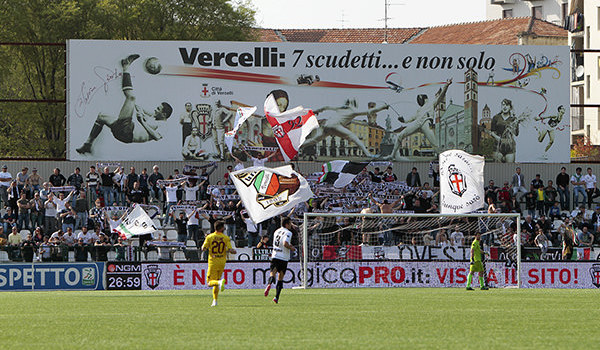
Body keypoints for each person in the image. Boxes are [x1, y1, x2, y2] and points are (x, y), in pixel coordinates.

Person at [76, 54, 173, 154]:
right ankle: (87, 145)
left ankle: (126, 67)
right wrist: (140, 111)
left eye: (158, 109)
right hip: (123, 131)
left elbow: (157, 137)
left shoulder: (163, 125)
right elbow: (139, 107)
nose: (155, 110)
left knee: (131, 98)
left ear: (164, 114)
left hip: (127, 132)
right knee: (101, 116)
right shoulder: (154, 116)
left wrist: (142, 121)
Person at [384, 79, 451, 160]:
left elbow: (441, 96)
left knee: (434, 143)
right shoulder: (419, 110)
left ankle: (443, 158)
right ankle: (392, 155)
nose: (419, 101)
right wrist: (403, 120)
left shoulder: (431, 104)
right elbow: (411, 119)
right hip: (417, 123)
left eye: (419, 99)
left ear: (423, 99)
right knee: (400, 135)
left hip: (426, 123)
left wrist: (446, 85)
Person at [304, 99, 389, 158]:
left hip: (326, 125)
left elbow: (326, 106)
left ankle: (298, 146)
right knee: (354, 137)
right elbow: (369, 112)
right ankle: (368, 154)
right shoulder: (353, 111)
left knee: (313, 140)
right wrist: (383, 107)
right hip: (335, 126)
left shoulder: (340, 108)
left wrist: (316, 111)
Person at [201, 220, 236, 307]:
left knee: (209, 282)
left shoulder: (210, 237)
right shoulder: (226, 238)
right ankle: (215, 301)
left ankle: (220, 283)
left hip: (213, 262)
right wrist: (233, 251)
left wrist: (206, 241)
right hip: (222, 262)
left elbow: (203, 248)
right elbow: (231, 250)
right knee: (216, 280)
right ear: (221, 228)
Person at [264, 217, 296, 304]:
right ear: (286, 224)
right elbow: (285, 243)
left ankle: (269, 284)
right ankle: (276, 297)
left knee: (272, 273)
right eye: (290, 223)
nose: (291, 225)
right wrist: (291, 248)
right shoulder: (288, 232)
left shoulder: (276, 231)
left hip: (275, 255)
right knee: (280, 278)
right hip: (283, 257)